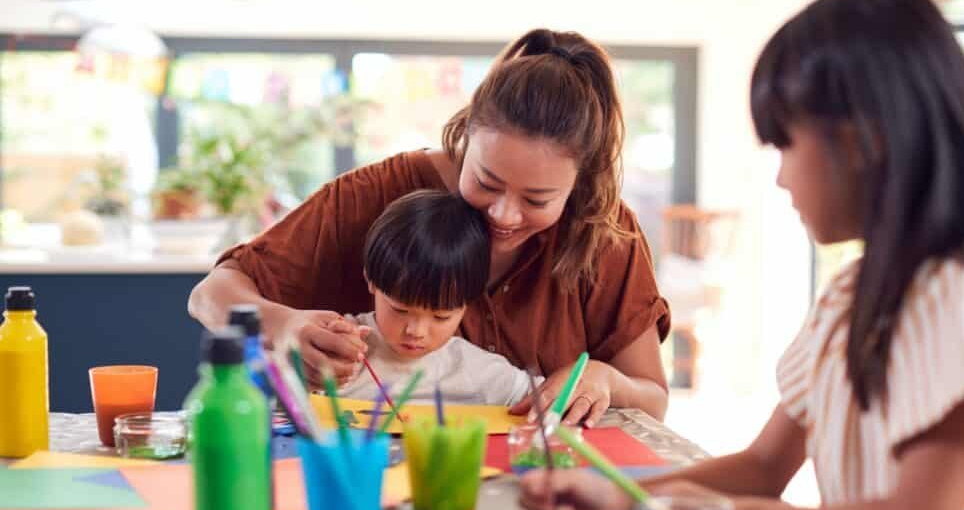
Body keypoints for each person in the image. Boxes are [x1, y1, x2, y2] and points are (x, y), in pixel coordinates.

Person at [519, 0, 964, 510]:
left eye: (787, 147)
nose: (782, 179)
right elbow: (763, 466)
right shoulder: (854, 295)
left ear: (863, 141)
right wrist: (629, 497)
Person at [188, 28, 670, 428]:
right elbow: (210, 295)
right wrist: (285, 325)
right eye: (487, 181)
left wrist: (606, 380)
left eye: (538, 200)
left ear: (579, 184)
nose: (504, 214)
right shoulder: (374, 195)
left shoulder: (603, 231)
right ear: (465, 132)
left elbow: (652, 398)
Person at [337, 189, 534, 406]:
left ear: (467, 304)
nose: (416, 332)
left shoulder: (478, 371)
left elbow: (547, 402)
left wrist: (574, 382)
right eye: (400, 309)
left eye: (441, 317)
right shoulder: (340, 345)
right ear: (371, 280)